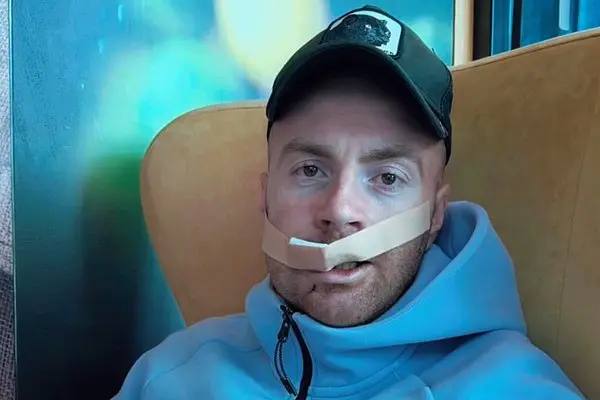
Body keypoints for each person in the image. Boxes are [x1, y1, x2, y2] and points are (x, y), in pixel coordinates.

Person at [114, 5, 584, 399]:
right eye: (310, 170)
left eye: (387, 177)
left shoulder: (516, 388)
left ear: (435, 216)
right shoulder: (169, 379)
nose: (339, 211)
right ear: (264, 200)